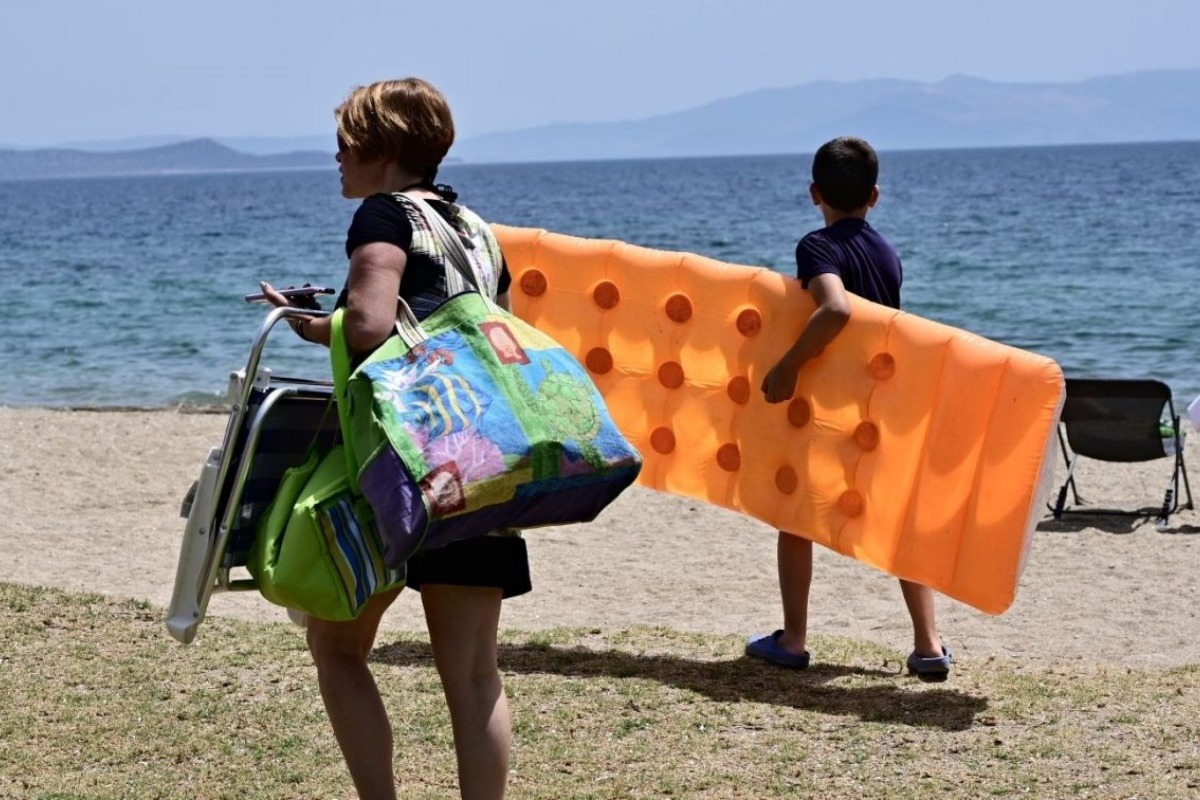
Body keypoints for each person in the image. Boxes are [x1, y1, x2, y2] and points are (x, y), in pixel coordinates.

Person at [260, 77, 528, 800]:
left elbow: (375, 326)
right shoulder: (476, 229)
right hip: (480, 465)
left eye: (346, 141)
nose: (337, 156)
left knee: (337, 649)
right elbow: (483, 332)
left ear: (381, 149)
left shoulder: (383, 215)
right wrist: (326, 320)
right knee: (474, 676)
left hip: (401, 469)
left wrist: (316, 323)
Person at [747, 136, 953, 681]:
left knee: (796, 518)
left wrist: (788, 365)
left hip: (832, 405)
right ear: (876, 196)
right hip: (882, 403)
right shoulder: (887, 252)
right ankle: (928, 645)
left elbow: (835, 309)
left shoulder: (817, 246)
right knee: (899, 520)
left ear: (815, 192)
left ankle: (792, 639)